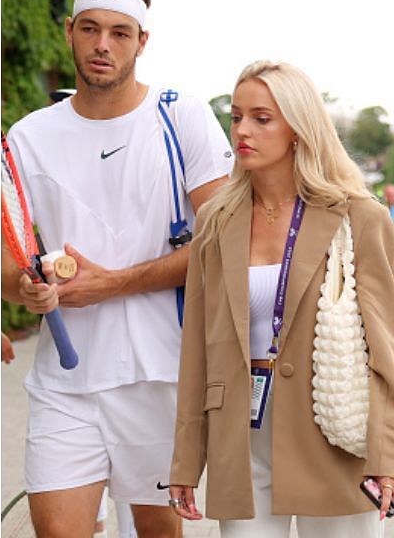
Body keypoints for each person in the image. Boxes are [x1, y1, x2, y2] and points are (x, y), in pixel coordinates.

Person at [2, 0, 232, 537]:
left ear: (142, 41)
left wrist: (115, 282)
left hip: (159, 376)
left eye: (120, 32)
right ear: (69, 31)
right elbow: (6, 260)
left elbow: (225, 239)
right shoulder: (27, 136)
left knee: (156, 530)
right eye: (90, 28)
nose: (103, 44)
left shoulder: (182, 116)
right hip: (65, 377)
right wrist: (23, 288)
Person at [168, 60, 394, 536]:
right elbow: (195, 351)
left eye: (261, 118)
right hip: (242, 438)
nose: (242, 130)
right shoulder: (215, 222)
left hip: (332, 436)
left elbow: (385, 353)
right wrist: (186, 460)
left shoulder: (359, 216)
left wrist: (385, 453)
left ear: (297, 128)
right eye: (236, 117)